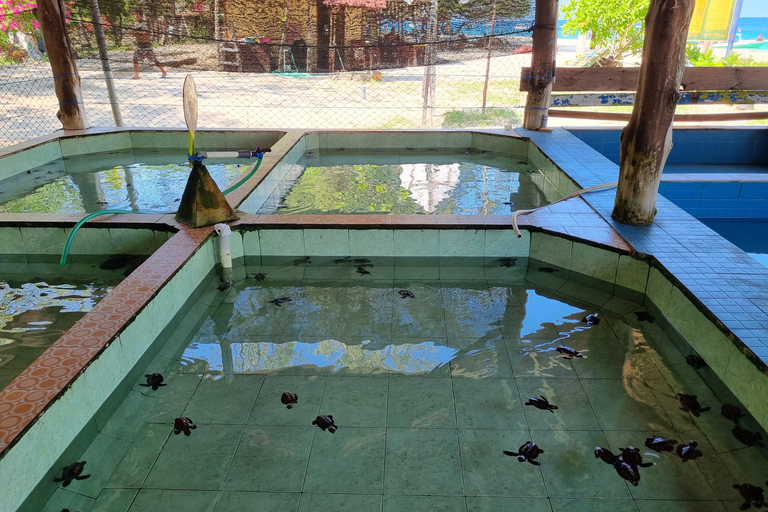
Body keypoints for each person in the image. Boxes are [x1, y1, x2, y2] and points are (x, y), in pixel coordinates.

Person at [132, 10, 167, 79]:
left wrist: (137, 33)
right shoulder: (136, 24)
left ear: (141, 15)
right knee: (135, 59)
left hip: (146, 45)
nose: (136, 16)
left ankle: (163, 72)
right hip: (139, 44)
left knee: (154, 60)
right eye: (135, 15)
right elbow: (135, 34)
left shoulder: (144, 23)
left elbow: (146, 32)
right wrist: (132, 32)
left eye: (137, 14)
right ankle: (136, 75)